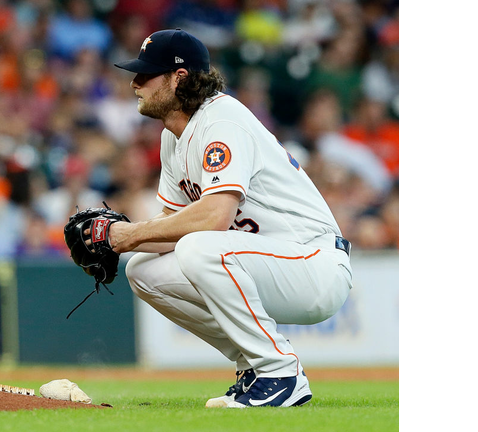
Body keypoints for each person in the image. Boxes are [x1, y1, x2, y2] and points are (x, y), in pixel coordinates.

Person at [106, 29, 353, 408]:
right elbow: (174, 223)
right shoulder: (173, 136)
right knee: (143, 270)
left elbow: (215, 217)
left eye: (146, 73)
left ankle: (279, 372)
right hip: (266, 261)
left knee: (199, 247)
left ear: (179, 78)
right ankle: (254, 363)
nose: (135, 82)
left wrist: (131, 233)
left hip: (313, 262)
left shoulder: (222, 119)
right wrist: (114, 240)